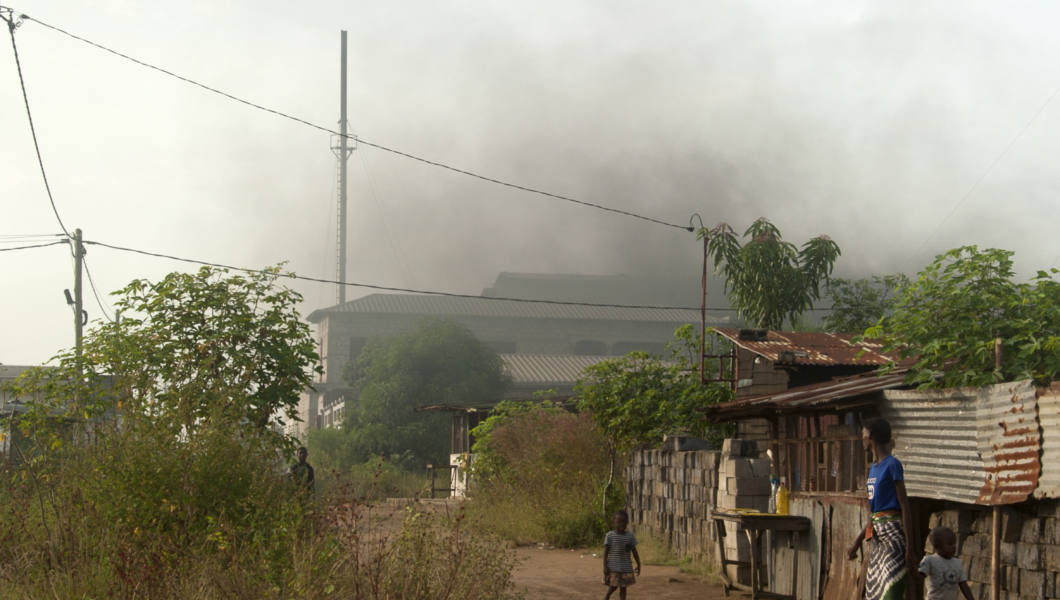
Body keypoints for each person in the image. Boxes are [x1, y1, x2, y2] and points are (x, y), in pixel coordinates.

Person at [846, 417, 916, 600]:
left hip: (893, 536)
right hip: (878, 538)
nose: (862, 438)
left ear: (871, 435)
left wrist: (910, 548)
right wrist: (858, 541)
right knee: (874, 592)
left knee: (892, 591)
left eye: (863, 434)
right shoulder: (873, 469)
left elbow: (904, 505)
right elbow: (875, 514)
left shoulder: (893, 465)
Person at [917, 526, 973, 600]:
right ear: (937, 546)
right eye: (950, 544)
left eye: (954, 544)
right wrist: (915, 573)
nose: (953, 547)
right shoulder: (930, 560)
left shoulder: (957, 563)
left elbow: (963, 585)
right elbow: (920, 577)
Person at [602, 510, 641, 600]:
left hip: (626, 567)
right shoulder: (610, 536)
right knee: (614, 585)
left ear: (627, 523)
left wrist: (638, 564)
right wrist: (604, 566)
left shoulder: (629, 536)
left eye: (624, 522)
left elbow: (634, 551)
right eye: (619, 522)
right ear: (613, 522)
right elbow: (605, 552)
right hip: (613, 567)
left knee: (623, 587)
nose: (621, 524)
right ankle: (607, 596)